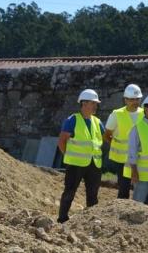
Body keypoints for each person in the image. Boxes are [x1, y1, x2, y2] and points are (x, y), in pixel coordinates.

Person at [57, 89, 104, 223]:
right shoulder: (72, 120)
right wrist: (69, 156)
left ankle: (91, 221)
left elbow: (102, 138)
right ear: (84, 103)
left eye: (96, 103)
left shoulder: (97, 122)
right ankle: (62, 219)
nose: (96, 106)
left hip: (94, 164)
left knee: (93, 194)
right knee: (69, 192)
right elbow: (62, 141)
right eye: (93, 103)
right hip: (76, 164)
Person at [104, 84, 143, 199]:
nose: (135, 102)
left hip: (140, 157)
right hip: (122, 159)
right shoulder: (117, 114)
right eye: (132, 99)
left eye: (137, 99)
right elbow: (107, 135)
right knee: (124, 188)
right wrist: (116, 145)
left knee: (141, 187)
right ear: (125, 100)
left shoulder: (144, 113)